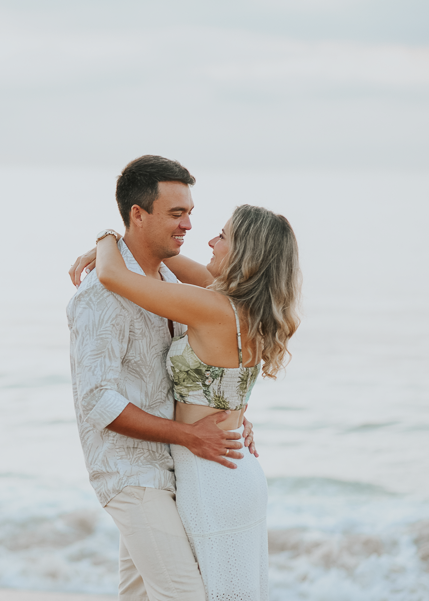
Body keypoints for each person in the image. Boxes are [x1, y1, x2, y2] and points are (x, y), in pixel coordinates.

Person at [84, 198, 301, 600]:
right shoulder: (248, 310)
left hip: (208, 474)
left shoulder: (212, 307)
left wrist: (108, 237)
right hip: (237, 470)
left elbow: (114, 276)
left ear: (244, 254)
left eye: (224, 237)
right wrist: (128, 245)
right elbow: (167, 262)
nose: (211, 242)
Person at [66, 155, 258, 601]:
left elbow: (202, 365)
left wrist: (230, 414)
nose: (189, 224)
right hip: (130, 472)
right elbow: (96, 402)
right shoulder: (101, 295)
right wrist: (191, 435)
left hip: (171, 469)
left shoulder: (168, 280)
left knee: (139, 595)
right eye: (176, 213)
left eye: (189, 211)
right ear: (139, 214)